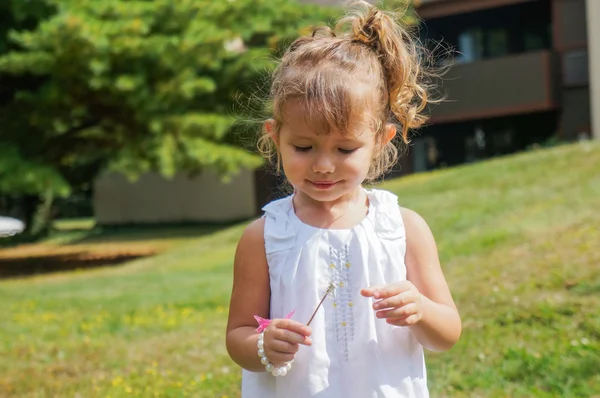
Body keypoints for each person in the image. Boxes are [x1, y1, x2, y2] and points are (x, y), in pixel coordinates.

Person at [225, 2, 461, 397]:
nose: (323, 166)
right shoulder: (264, 237)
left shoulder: (403, 228)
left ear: (379, 141)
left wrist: (419, 309)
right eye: (303, 146)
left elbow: (446, 333)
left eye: (345, 150)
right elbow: (238, 336)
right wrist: (262, 346)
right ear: (275, 136)